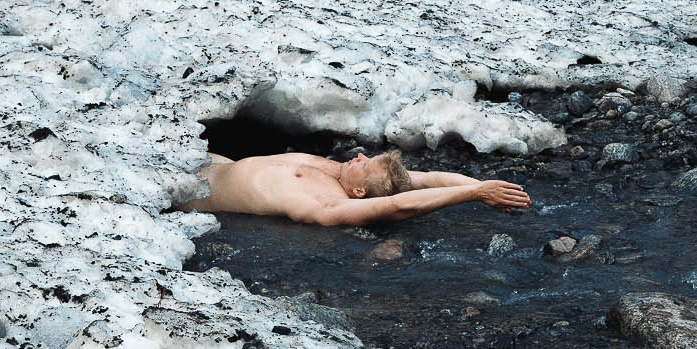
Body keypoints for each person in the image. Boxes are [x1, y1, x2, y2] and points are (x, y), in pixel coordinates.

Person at [187, 148, 530, 226]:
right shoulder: (337, 170)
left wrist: (472, 195)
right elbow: (433, 177)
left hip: (183, 190)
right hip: (200, 156)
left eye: (365, 164)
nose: (359, 155)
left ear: (360, 193)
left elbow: (399, 206)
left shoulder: (329, 203)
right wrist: (486, 187)